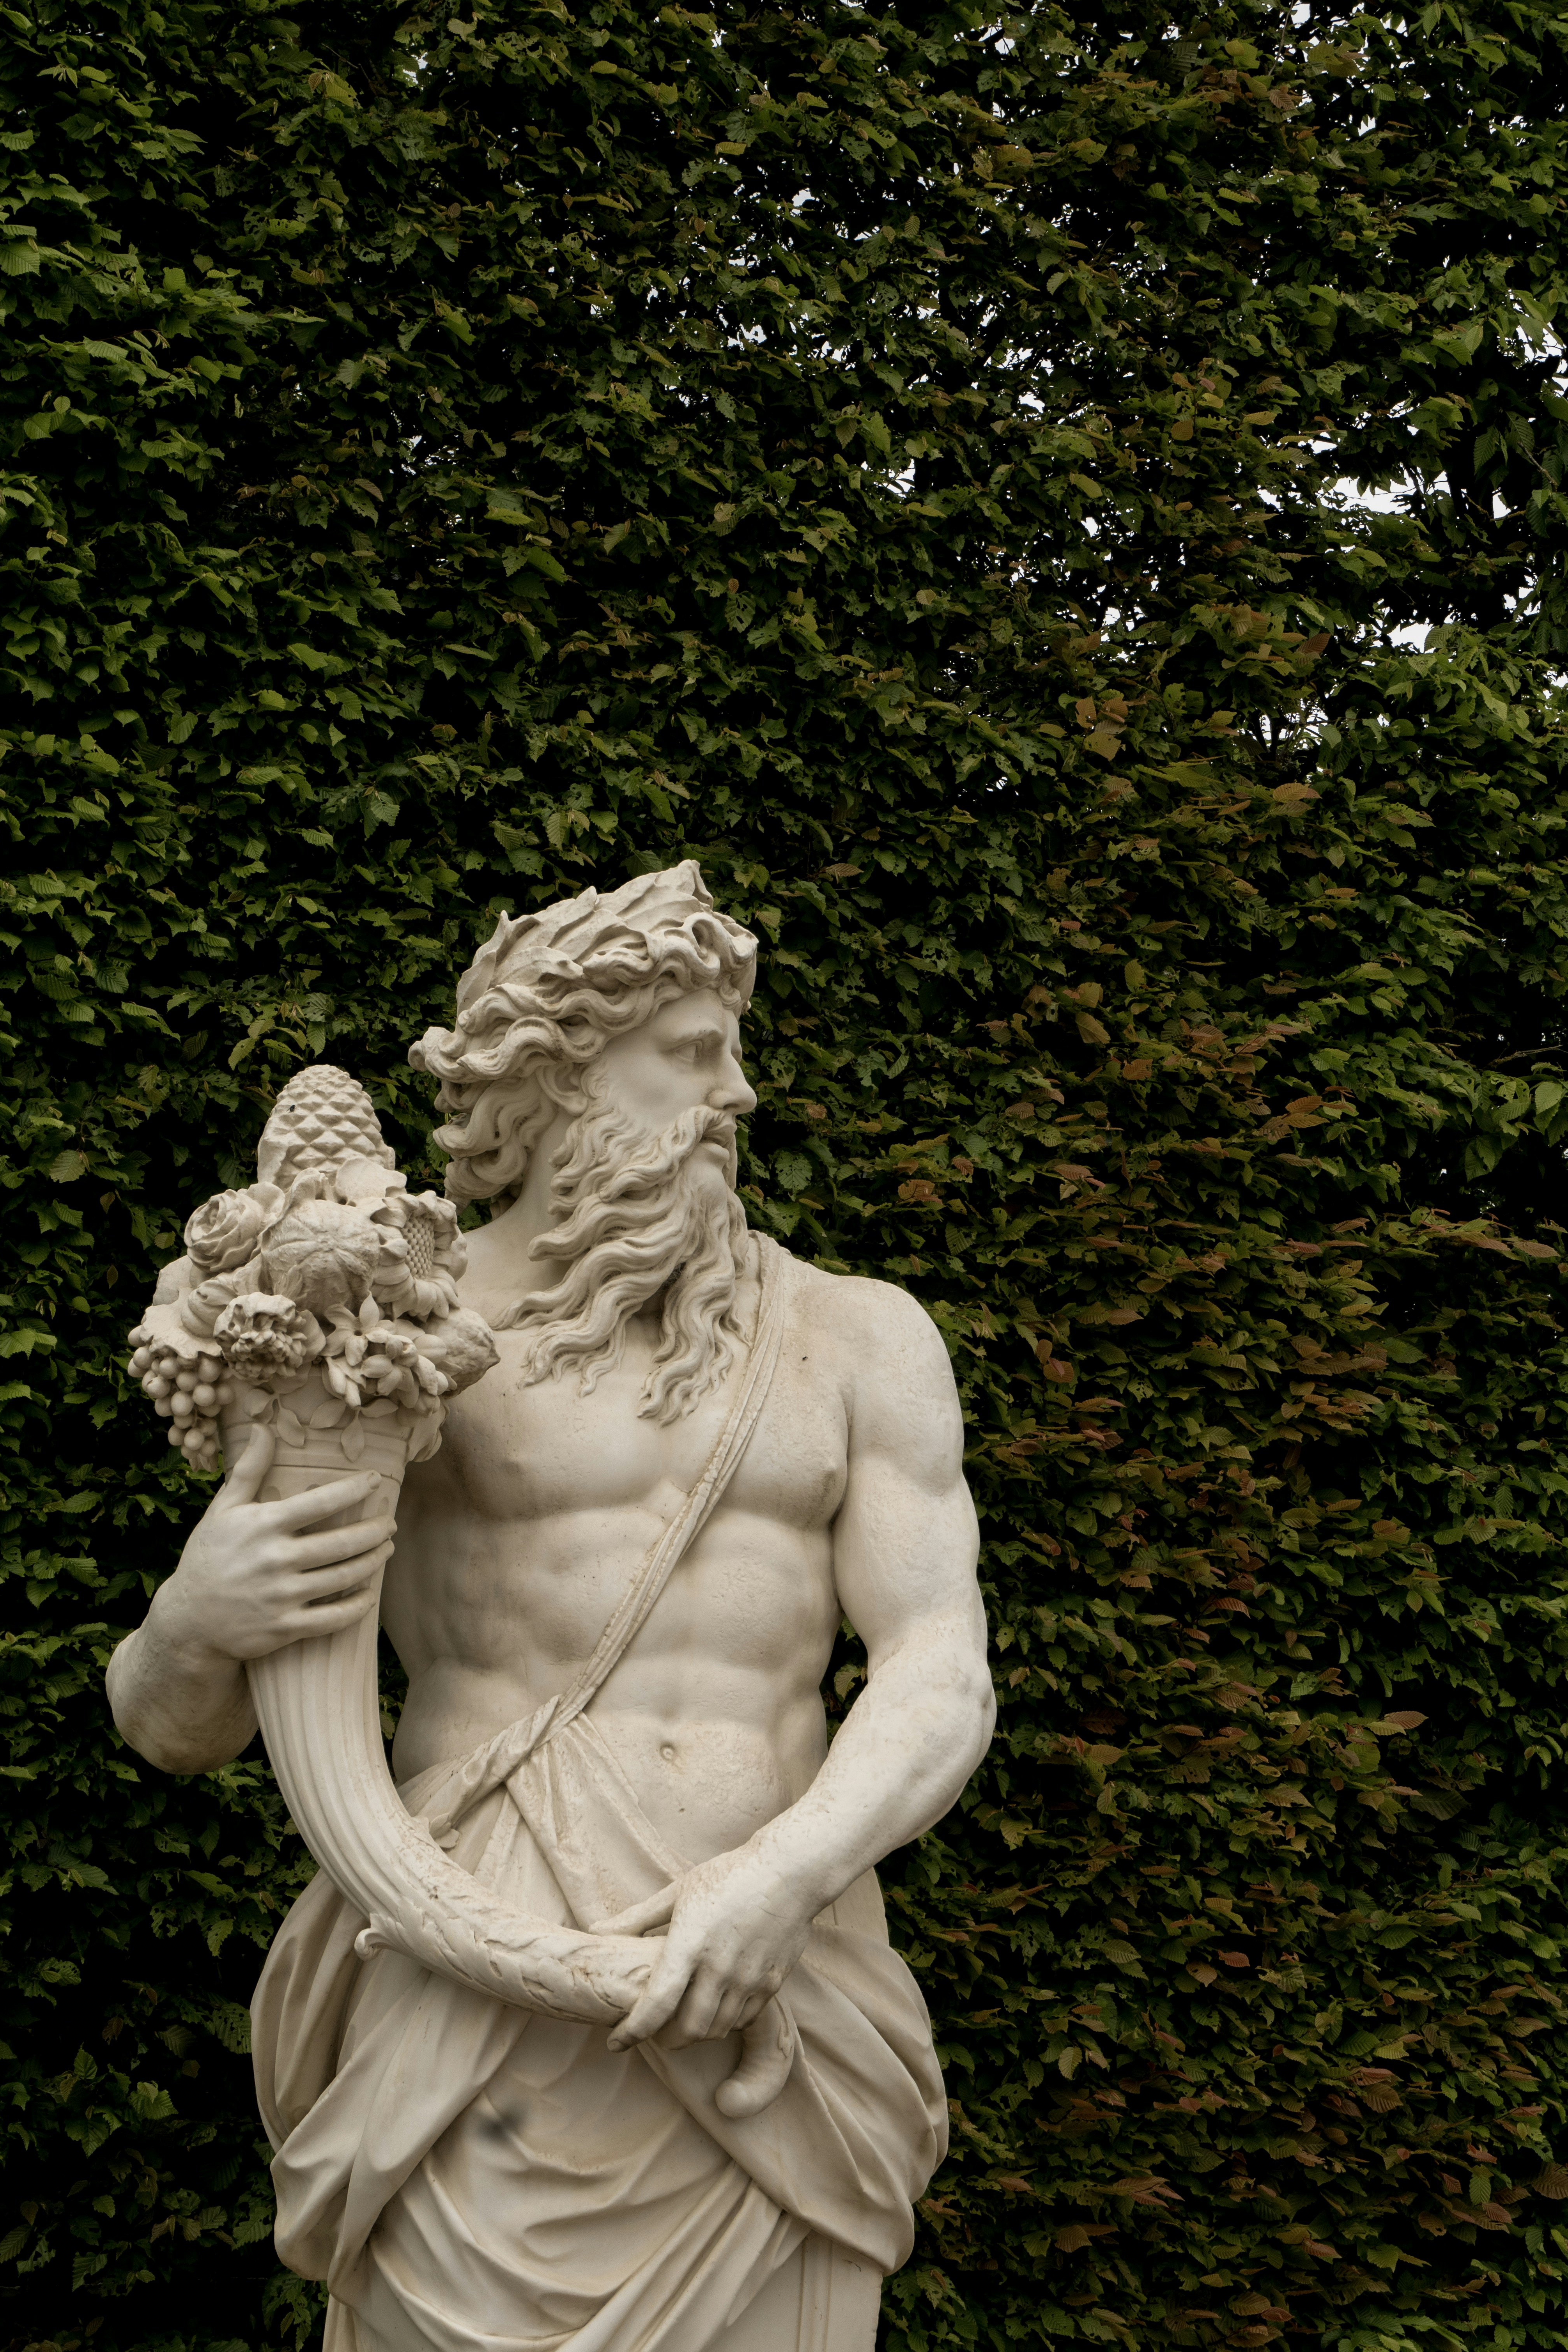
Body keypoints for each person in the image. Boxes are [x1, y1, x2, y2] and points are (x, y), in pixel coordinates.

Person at [108, 862, 994, 2352]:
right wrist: (197, 1618)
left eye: (737, 1050)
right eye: (695, 1054)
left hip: (762, 2008)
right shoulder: (389, 1343)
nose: (739, 1095)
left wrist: (784, 1879)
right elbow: (172, 1726)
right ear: (562, 1074)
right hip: (467, 1994)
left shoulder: (859, 1339)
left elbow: (939, 1669)